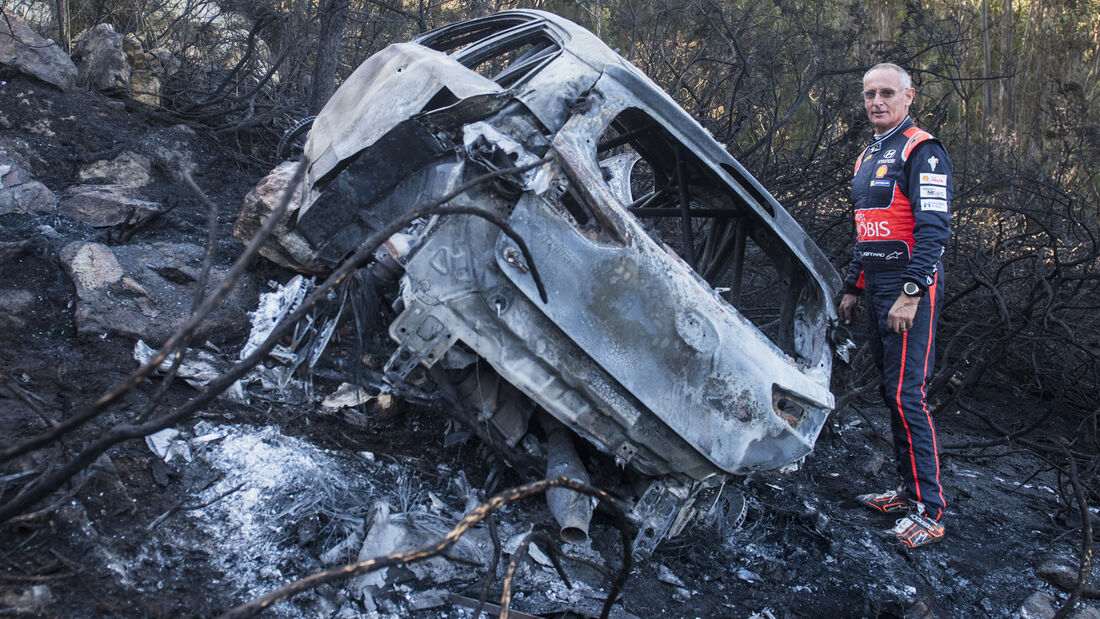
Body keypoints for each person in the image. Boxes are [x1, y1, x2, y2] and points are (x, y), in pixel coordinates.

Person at [839, 63, 951, 549]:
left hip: (910, 292)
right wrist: (853, 285)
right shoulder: (869, 153)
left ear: (909, 97)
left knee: (909, 395)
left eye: (887, 93)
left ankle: (930, 511)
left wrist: (910, 293)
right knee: (891, 393)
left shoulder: (921, 150)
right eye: (869, 94)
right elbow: (869, 227)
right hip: (878, 285)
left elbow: (934, 231)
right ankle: (907, 494)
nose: (876, 101)